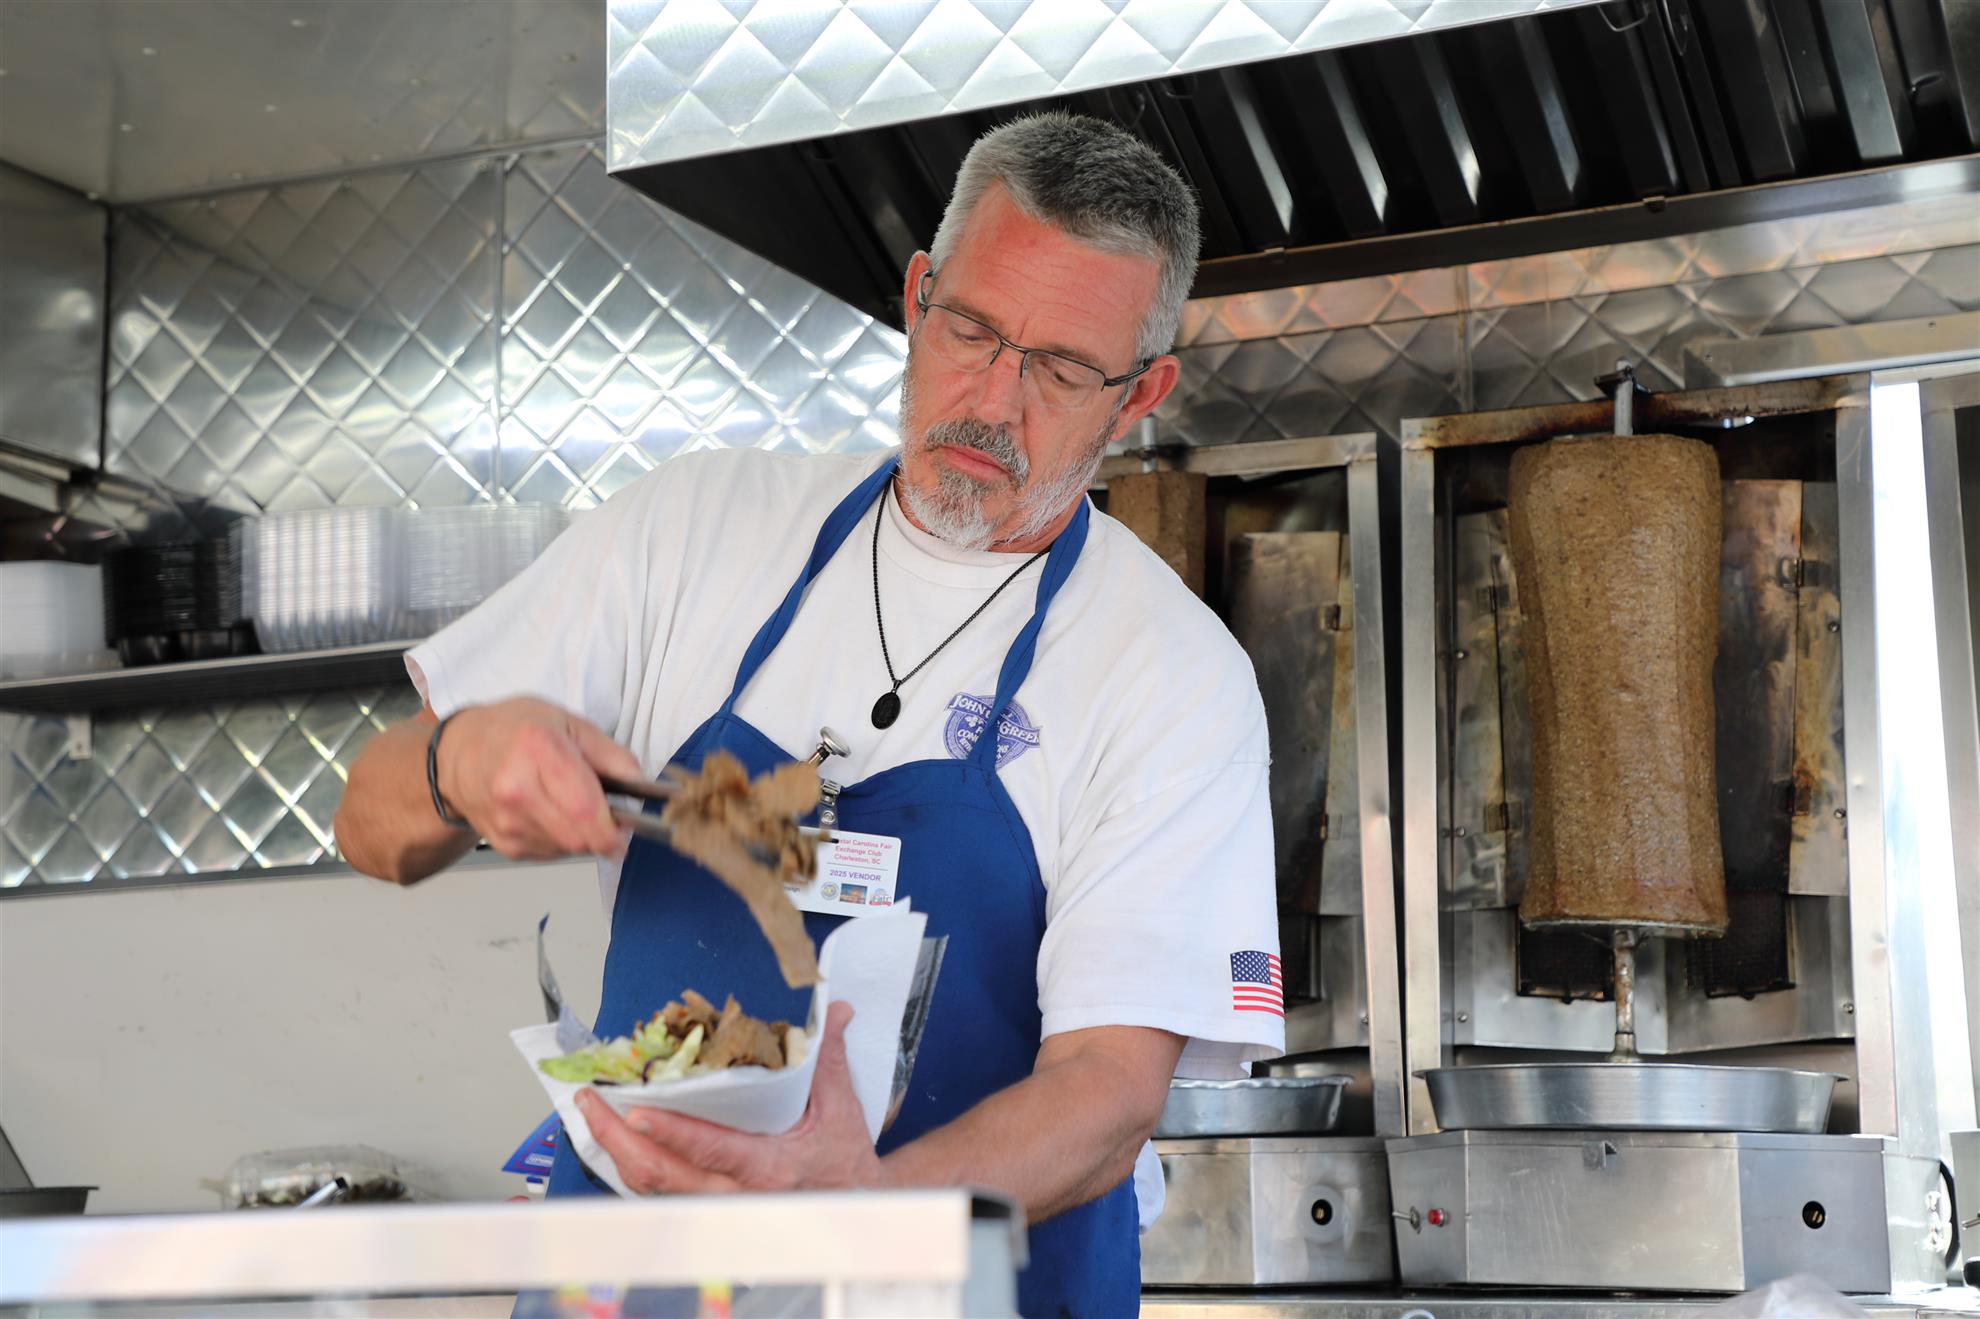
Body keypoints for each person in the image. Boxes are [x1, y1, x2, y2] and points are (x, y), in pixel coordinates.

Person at [335, 110, 1281, 1317]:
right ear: (919, 295)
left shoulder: (1171, 672)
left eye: (1058, 370)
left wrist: (859, 1214)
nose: (993, 402)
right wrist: (458, 761)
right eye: (972, 329)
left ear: (1140, 392)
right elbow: (369, 826)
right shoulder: (694, 529)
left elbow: (1107, 1092)